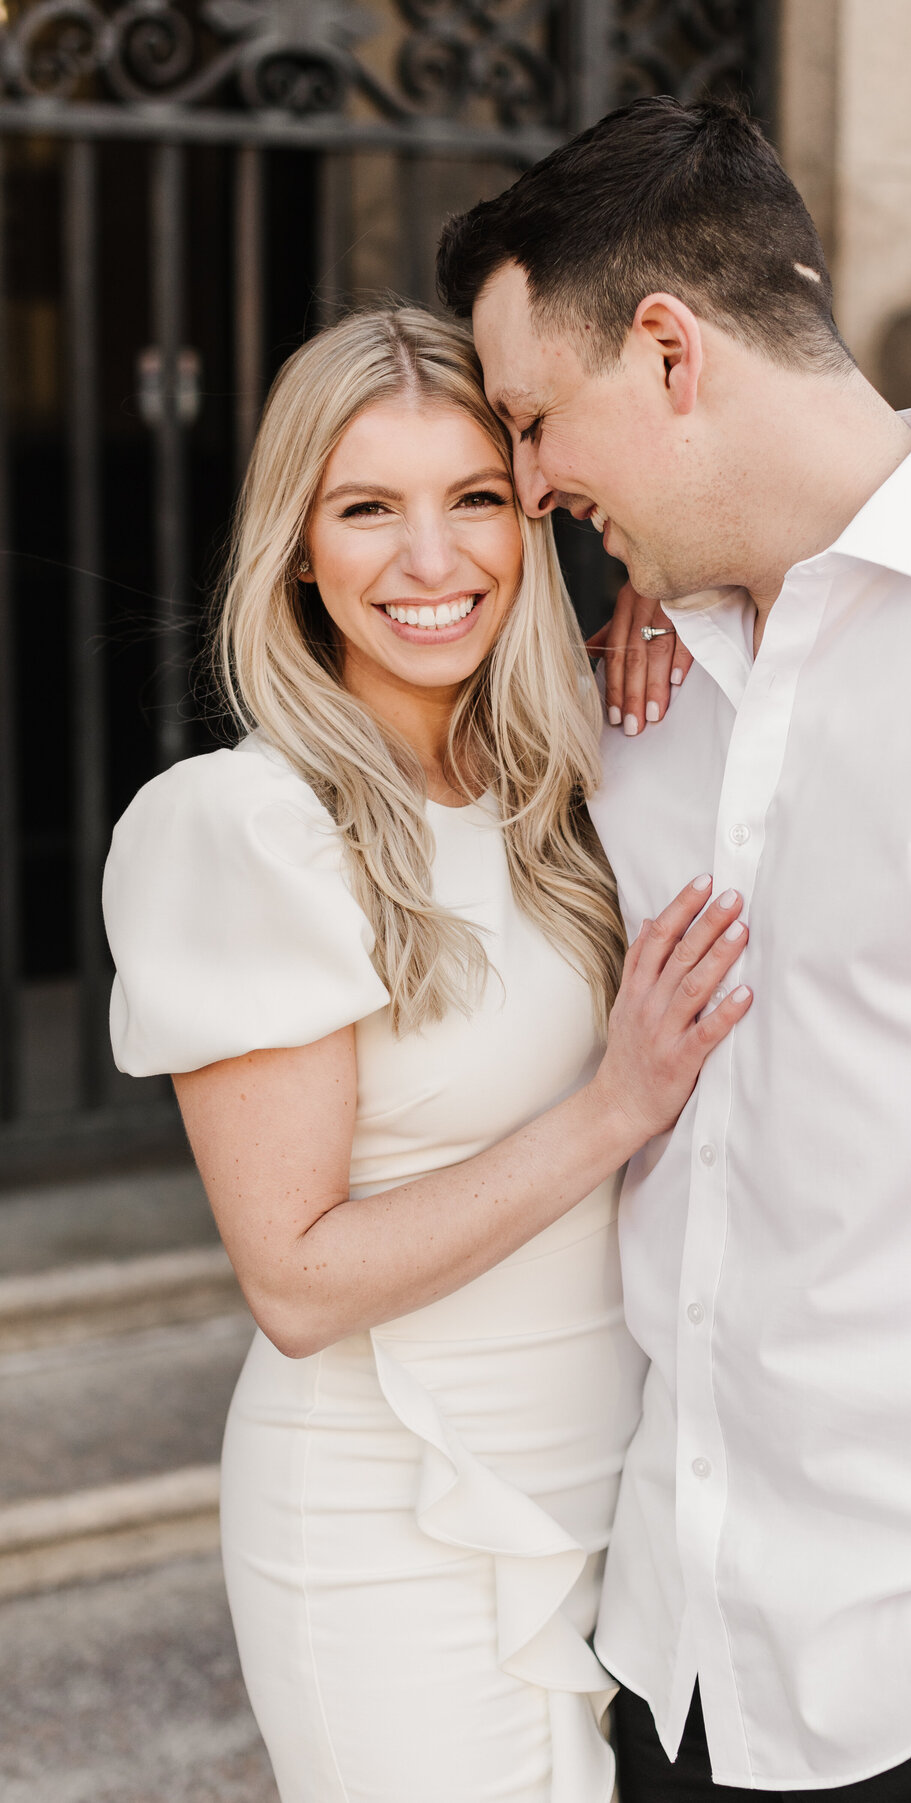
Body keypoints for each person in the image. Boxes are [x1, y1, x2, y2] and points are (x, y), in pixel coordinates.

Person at [437, 96, 911, 1800]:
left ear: (669, 349)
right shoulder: (633, 681)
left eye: (540, 420)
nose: (535, 484)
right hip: (673, 1671)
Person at [101, 305, 755, 1803]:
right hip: (394, 1520)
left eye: (472, 498)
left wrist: (674, 594)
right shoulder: (248, 827)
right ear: (296, 546)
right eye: (366, 509)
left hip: (624, 1489)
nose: (432, 560)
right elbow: (296, 1281)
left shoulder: (569, 774)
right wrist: (613, 1112)